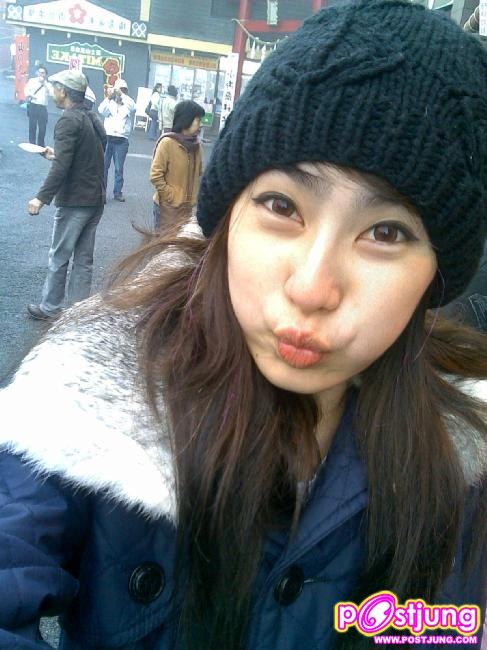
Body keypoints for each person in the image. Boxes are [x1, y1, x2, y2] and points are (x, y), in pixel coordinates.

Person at [0, 3, 486, 649]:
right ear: (227, 218)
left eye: (387, 233)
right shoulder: (88, 393)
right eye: (282, 205)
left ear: (436, 277)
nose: (311, 288)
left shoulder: (461, 463)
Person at [26, 69, 106, 321]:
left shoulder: (68, 120)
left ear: (63, 91)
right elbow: (89, 152)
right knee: (84, 259)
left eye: (55, 87)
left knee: (60, 255)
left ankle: (50, 307)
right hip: (95, 198)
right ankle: (77, 315)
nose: (53, 91)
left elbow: (62, 167)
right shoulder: (90, 117)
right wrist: (57, 154)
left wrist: (41, 197)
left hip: (75, 200)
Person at [150, 99, 204, 231]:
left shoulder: (196, 146)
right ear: (187, 119)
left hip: (187, 209)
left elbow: (199, 173)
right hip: (167, 208)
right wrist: (171, 196)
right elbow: (155, 175)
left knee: (180, 243)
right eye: (198, 120)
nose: (200, 124)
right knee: (164, 242)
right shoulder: (167, 142)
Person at [98, 78, 136, 202]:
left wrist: (121, 96)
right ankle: (102, 193)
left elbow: (132, 107)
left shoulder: (128, 101)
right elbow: (101, 110)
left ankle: (118, 192)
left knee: (119, 168)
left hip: (122, 139)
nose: (121, 92)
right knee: (104, 167)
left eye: (124, 90)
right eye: (120, 89)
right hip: (107, 137)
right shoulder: (109, 101)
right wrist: (109, 98)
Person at [23, 64, 52, 147]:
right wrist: (30, 95)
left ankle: (41, 143)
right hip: (33, 105)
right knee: (32, 125)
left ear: (46, 74)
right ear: (37, 73)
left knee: (43, 127)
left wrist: (45, 84)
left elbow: (51, 93)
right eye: (40, 72)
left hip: (42, 107)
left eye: (43, 73)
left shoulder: (48, 84)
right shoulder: (32, 81)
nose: (41, 74)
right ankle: (32, 142)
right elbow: (26, 90)